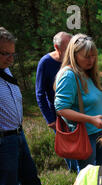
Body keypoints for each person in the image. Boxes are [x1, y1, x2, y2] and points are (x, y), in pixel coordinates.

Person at [0, 27, 45, 185]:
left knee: (29, 175)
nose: (10, 59)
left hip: (18, 134)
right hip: (3, 139)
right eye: (5, 54)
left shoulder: (5, 69)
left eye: (13, 53)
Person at [54, 33, 102, 173]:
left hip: (99, 132)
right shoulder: (69, 75)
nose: (91, 60)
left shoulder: (88, 73)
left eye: (93, 55)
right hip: (85, 136)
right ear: (74, 54)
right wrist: (91, 119)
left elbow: (95, 103)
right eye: (86, 56)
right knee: (87, 176)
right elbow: (61, 109)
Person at [35, 31, 77, 171]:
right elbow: (40, 93)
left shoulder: (74, 59)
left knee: (82, 147)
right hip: (57, 115)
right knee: (68, 150)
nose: (71, 51)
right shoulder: (45, 63)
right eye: (67, 48)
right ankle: (75, 176)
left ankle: (85, 174)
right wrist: (50, 119)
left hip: (76, 112)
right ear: (57, 47)